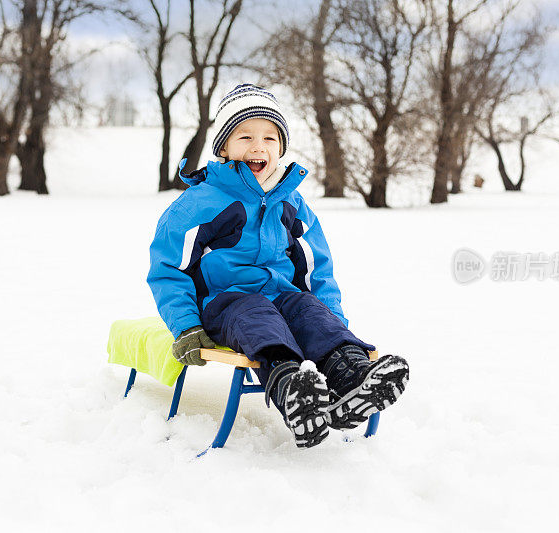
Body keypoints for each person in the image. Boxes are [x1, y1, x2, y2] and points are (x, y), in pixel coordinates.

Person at [147, 84, 408, 448]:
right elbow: (169, 269)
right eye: (246, 136)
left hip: (282, 297)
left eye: (271, 138)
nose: (259, 146)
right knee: (255, 312)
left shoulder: (291, 202)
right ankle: (292, 390)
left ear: (281, 148)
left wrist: (330, 317)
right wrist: (186, 325)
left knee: (306, 308)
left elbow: (318, 266)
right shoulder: (200, 203)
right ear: (223, 146)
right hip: (225, 304)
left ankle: (353, 380)